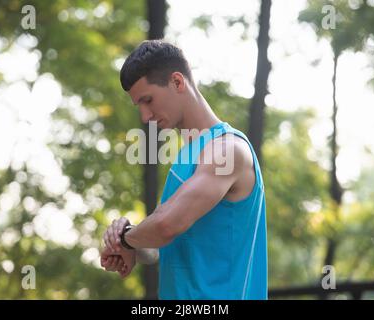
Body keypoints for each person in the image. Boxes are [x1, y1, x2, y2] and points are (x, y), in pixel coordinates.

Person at [100, 39, 267, 300]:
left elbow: (167, 224)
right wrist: (130, 243)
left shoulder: (227, 150)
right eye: (139, 106)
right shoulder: (187, 159)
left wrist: (126, 238)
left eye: (148, 100)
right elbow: (160, 248)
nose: (145, 116)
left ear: (178, 82)